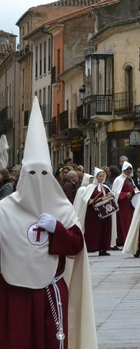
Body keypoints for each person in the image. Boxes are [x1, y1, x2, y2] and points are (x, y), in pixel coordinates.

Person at [0, 98, 96, 347]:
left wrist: (58, 229)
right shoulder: (4, 209)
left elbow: (76, 246)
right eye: (31, 173)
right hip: (13, 291)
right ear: (21, 177)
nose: (37, 179)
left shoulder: (61, 209)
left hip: (50, 292)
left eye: (43, 173)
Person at [74, 167, 117, 256]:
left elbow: (112, 197)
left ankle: (104, 248)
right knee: (94, 230)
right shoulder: (90, 187)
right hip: (93, 214)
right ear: (96, 177)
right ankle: (91, 247)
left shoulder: (105, 187)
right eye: (100, 176)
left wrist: (111, 195)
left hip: (105, 213)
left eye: (103, 176)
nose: (101, 178)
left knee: (105, 230)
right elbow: (85, 200)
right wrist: (89, 201)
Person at [112, 161, 138, 249]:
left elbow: (134, 189)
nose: (129, 171)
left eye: (130, 169)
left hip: (129, 205)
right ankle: (121, 240)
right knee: (122, 223)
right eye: (127, 169)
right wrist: (125, 195)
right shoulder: (119, 180)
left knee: (128, 222)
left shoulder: (130, 179)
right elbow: (116, 193)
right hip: (122, 205)